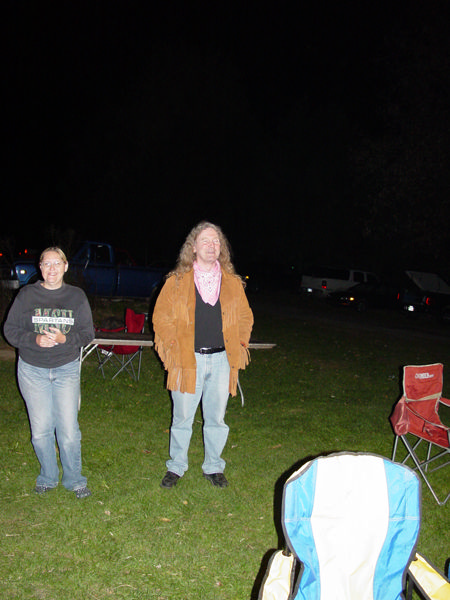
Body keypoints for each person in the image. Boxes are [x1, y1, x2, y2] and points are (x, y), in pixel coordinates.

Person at [153, 221, 254, 489]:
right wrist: (173, 345)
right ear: (193, 247)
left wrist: (240, 341)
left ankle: (213, 467)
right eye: (206, 241)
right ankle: (176, 466)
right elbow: (160, 317)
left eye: (216, 241)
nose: (212, 245)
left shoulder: (233, 283)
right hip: (187, 361)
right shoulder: (177, 282)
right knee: (182, 418)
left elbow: (246, 316)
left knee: (216, 419)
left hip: (222, 361)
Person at [4, 247, 94, 499]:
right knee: (41, 429)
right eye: (46, 263)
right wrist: (34, 339)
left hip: (66, 369)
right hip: (33, 370)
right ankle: (48, 476)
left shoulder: (76, 296)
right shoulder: (27, 295)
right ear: (40, 267)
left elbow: (87, 333)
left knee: (68, 430)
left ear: (65, 266)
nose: (52, 269)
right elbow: (10, 330)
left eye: (57, 263)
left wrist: (66, 339)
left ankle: (75, 480)